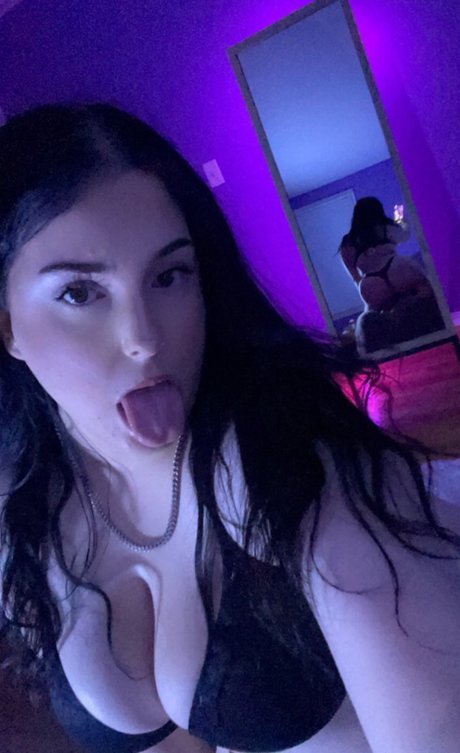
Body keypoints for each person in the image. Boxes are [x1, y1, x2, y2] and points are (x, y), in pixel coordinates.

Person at [0, 103, 459, 753]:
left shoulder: (299, 470)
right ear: (9, 327)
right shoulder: (26, 504)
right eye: (79, 292)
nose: (143, 338)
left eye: (169, 276)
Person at [339, 197, 444, 353]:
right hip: (396, 266)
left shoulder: (348, 242)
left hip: (370, 281)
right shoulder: (386, 227)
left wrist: (366, 289)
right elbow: (405, 234)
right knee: (427, 294)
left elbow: (354, 275)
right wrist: (400, 218)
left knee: (371, 319)